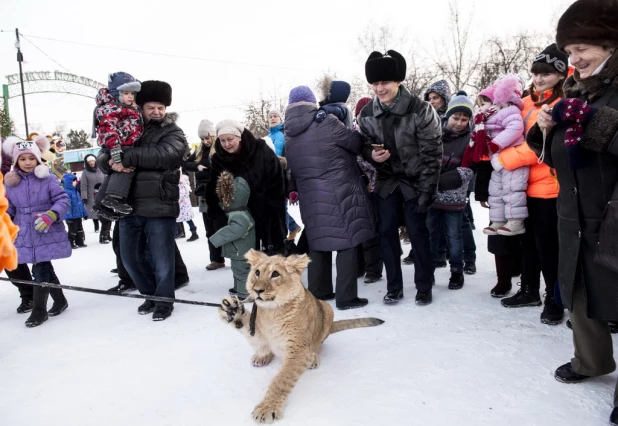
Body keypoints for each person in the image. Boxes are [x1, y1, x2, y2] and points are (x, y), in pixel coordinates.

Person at [525, 2, 618, 423]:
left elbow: (602, 132)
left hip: (611, 211)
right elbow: (551, 153)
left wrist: (594, 121)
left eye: (582, 49)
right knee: (579, 289)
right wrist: (542, 127)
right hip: (573, 211)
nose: (574, 60)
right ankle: (590, 361)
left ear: (610, 44)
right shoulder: (576, 92)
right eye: (569, 51)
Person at [358, 49, 442, 305]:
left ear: (398, 82)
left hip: (415, 182)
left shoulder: (420, 109)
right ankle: (394, 286)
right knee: (385, 233)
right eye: (375, 83)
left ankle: (424, 284)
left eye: (385, 83)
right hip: (386, 183)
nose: (380, 89)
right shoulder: (367, 114)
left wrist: (427, 190)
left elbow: (432, 152)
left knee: (417, 233)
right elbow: (361, 145)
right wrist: (372, 156)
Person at [285, 83, 374, 310]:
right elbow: (354, 142)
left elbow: (292, 168)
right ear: (312, 103)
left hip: (310, 197)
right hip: (338, 190)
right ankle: (346, 297)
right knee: (347, 243)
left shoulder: (289, 134)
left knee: (318, 243)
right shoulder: (326, 122)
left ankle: (319, 292)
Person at [497, 44, 568, 324]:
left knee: (547, 246)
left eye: (547, 74)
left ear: (561, 75)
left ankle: (554, 299)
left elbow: (541, 146)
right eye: (536, 73)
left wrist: (503, 158)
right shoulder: (525, 101)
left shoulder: (564, 102)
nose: (539, 79)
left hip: (549, 187)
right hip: (523, 186)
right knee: (527, 243)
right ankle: (529, 289)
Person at [116, 80, 188, 322]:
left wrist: (125, 156)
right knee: (130, 259)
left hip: (159, 203)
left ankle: (165, 301)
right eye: (151, 107)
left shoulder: (173, 131)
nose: (157, 112)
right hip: (128, 203)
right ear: (140, 106)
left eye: (161, 107)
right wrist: (110, 161)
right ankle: (150, 294)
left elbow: (166, 155)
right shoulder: (126, 129)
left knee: (162, 259)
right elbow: (106, 154)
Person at [3, 135, 72, 327]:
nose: (27, 162)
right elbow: (10, 208)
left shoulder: (48, 179)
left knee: (40, 268)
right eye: (22, 159)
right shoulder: (11, 184)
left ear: (38, 158)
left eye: (31, 158)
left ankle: (39, 311)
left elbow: (63, 200)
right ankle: (60, 300)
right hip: (25, 232)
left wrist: (51, 214)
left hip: (45, 229)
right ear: (16, 161)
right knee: (45, 266)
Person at [207, 120, 286, 255]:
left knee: (274, 252)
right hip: (239, 214)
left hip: (267, 209)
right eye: (222, 140)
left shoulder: (260, 149)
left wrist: (274, 204)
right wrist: (216, 209)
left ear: (239, 137)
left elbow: (277, 178)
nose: (227, 144)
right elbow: (213, 186)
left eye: (230, 139)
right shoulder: (218, 159)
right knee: (247, 256)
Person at [463, 75, 528, 236]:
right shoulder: (485, 119)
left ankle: (515, 220)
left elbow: (515, 128)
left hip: (513, 159)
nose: (481, 108)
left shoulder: (509, 111)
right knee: (496, 191)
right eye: (479, 104)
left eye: (484, 103)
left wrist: (495, 143)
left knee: (513, 189)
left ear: (496, 101)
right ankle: (498, 219)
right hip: (497, 160)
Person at [427, 91, 475, 290]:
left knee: (454, 236)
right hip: (431, 195)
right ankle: (427, 270)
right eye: (456, 117)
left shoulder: (470, 139)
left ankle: (457, 271)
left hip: (454, 197)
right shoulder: (433, 133)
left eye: (465, 119)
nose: (459, 122)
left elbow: (467, 170)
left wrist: (437, 180)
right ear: (448, 116)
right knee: (430, 233)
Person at [93, 71, 143, 217]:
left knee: (114, 173)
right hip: (118, 146)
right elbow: (108, 129)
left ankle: (100, 203)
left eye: (132, 94)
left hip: (122, 144)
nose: (130, 97)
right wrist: (115, 150)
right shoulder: (112, 108)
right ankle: (114, 197)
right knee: (126, 167)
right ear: (116, 93)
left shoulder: (123, 107)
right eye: (126, 93)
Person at [183, 119, 226, 270]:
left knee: (221, 225)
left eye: (208, 138)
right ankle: (216, 259)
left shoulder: (221, 147)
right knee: (209, 228)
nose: (205, 141)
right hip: (203, 193)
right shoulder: (199, 150)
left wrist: (205, 167)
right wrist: (197, 165)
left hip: (219, 192)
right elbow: (186, 163)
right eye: (202, 138)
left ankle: (233, 256)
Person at [209, 171, 255, 299]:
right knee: (237, 270)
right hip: (240, 250)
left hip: (240, 251)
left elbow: (237, 229)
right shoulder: (240, 211)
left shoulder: (238, 215)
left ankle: (244, 293)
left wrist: (216, 238)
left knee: (241, 271)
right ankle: (237, 288)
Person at [354, 97, 383, 284]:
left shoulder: (380, 131)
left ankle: (373, 268)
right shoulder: (353, 134)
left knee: (374, 228)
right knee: (359, 227)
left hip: (377, 186)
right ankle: (360, 266)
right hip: (357, 185)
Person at [266, 109, 302, 241]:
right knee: (276, 206)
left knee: (281, 207)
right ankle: (293, 227)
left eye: (275, 116)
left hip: (282, 176)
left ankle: (283, 237)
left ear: (281, 119)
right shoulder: (268, 137)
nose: (273, 118)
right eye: (270, 117)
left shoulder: (284, 134)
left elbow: (290, 156)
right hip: (269, 177)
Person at [81, 154, 111, 243]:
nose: (91, 163)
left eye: (92, 161)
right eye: (89, 162)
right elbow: (83, 186)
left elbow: (107, 180)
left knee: (107, 215)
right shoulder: (85, 172)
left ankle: (107, 234)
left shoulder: (101, 170)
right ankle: (102, 234)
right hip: (92, 197)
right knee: (100, 216)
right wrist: (84, 197)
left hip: (104, 195)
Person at [63, 173, 88, 249]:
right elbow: (67, 206)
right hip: (71, 216)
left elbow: (80, 204)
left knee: (80, 229)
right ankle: (70, 242)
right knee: (72, 230)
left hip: (78, 215)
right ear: (69, 182)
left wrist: (84, 213)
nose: (76, 182)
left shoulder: (76, 192)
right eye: (74, 181)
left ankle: (80, 241)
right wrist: (68, 216)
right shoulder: (67, 192)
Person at [177, 172, 198, 241]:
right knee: (186, 219)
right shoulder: (184, 184)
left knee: (185, 219)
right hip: (184, 206)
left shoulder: (181, 185)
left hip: (183, 207)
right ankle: (191, 232)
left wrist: (175, 201)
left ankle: (193, 232)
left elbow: (180, 195)